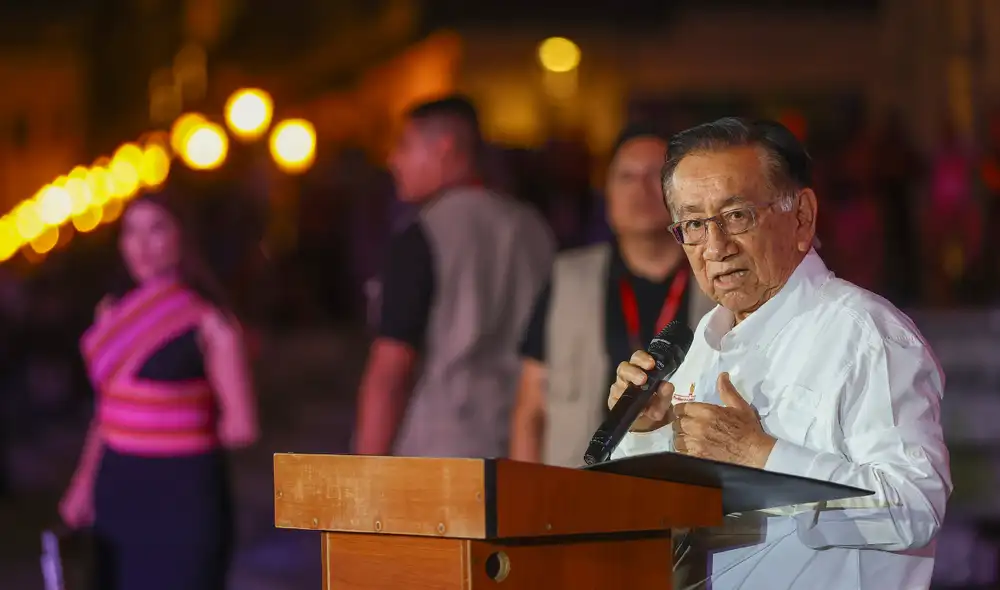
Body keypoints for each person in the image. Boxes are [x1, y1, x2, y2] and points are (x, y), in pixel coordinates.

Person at [608, 118, 951, 589]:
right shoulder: (702, 341)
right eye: (693, 224)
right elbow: (662, 518)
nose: (716, 247)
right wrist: (645, 433)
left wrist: (763, 456)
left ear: (802, 217)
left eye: (736, 216)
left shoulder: (866, 335)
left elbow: (915, 508)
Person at [59, 189, 259, 590]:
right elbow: (107, 413)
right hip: (118, 489)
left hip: (183, 497)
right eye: (131, 232)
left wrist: (173, 422)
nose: (142, 246)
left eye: (157, 230)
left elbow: (242, 427)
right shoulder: (111, 314)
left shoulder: (209, 322)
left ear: (182, 237)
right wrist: (82, 486)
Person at [353, 95, 554, 458]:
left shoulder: (425, 235)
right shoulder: (533, 228)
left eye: (404, 146)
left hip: (443, 449)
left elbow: (391, 370)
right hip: (528, 443)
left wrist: (363, 473)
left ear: (443, 147)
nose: (393, 160)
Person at [509, 123, 714, 467]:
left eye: (655, 176)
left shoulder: (716, 277)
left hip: (689, 483)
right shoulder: (568, 278)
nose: (640, 189)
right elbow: (530, 409)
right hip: (578, 483)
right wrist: (525, 494)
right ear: (607, 195)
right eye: (626, 177)